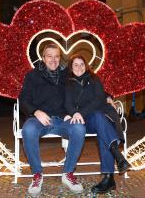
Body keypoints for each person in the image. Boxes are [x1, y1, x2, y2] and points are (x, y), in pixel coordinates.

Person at [19, 43, 86, 196]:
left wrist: (108, 96)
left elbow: (87, 81)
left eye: (57, 56)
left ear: (60, 58)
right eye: (49, 56)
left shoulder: (66, 74)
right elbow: (24, 99)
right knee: (28, 130)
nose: (53, 60)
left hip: (63, 118)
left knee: (79, 128)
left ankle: (68, 173)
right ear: (43, 58)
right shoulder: (33, 75)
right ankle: (37, 175)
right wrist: (36, 112)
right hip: (40, 119)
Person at [65, 54, 130, 194]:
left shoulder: (93, 79)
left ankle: (108, 179)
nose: (79, 67)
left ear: (86, 65)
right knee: (101, 121)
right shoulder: (67, 83)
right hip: (84, 121)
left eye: (81, 64)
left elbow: (99, 97)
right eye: (75, 64)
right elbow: (67, 103)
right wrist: (76, 113)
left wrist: (81, 112)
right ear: (71, 67)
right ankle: (118, 157)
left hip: (101, 115)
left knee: (101, 122)